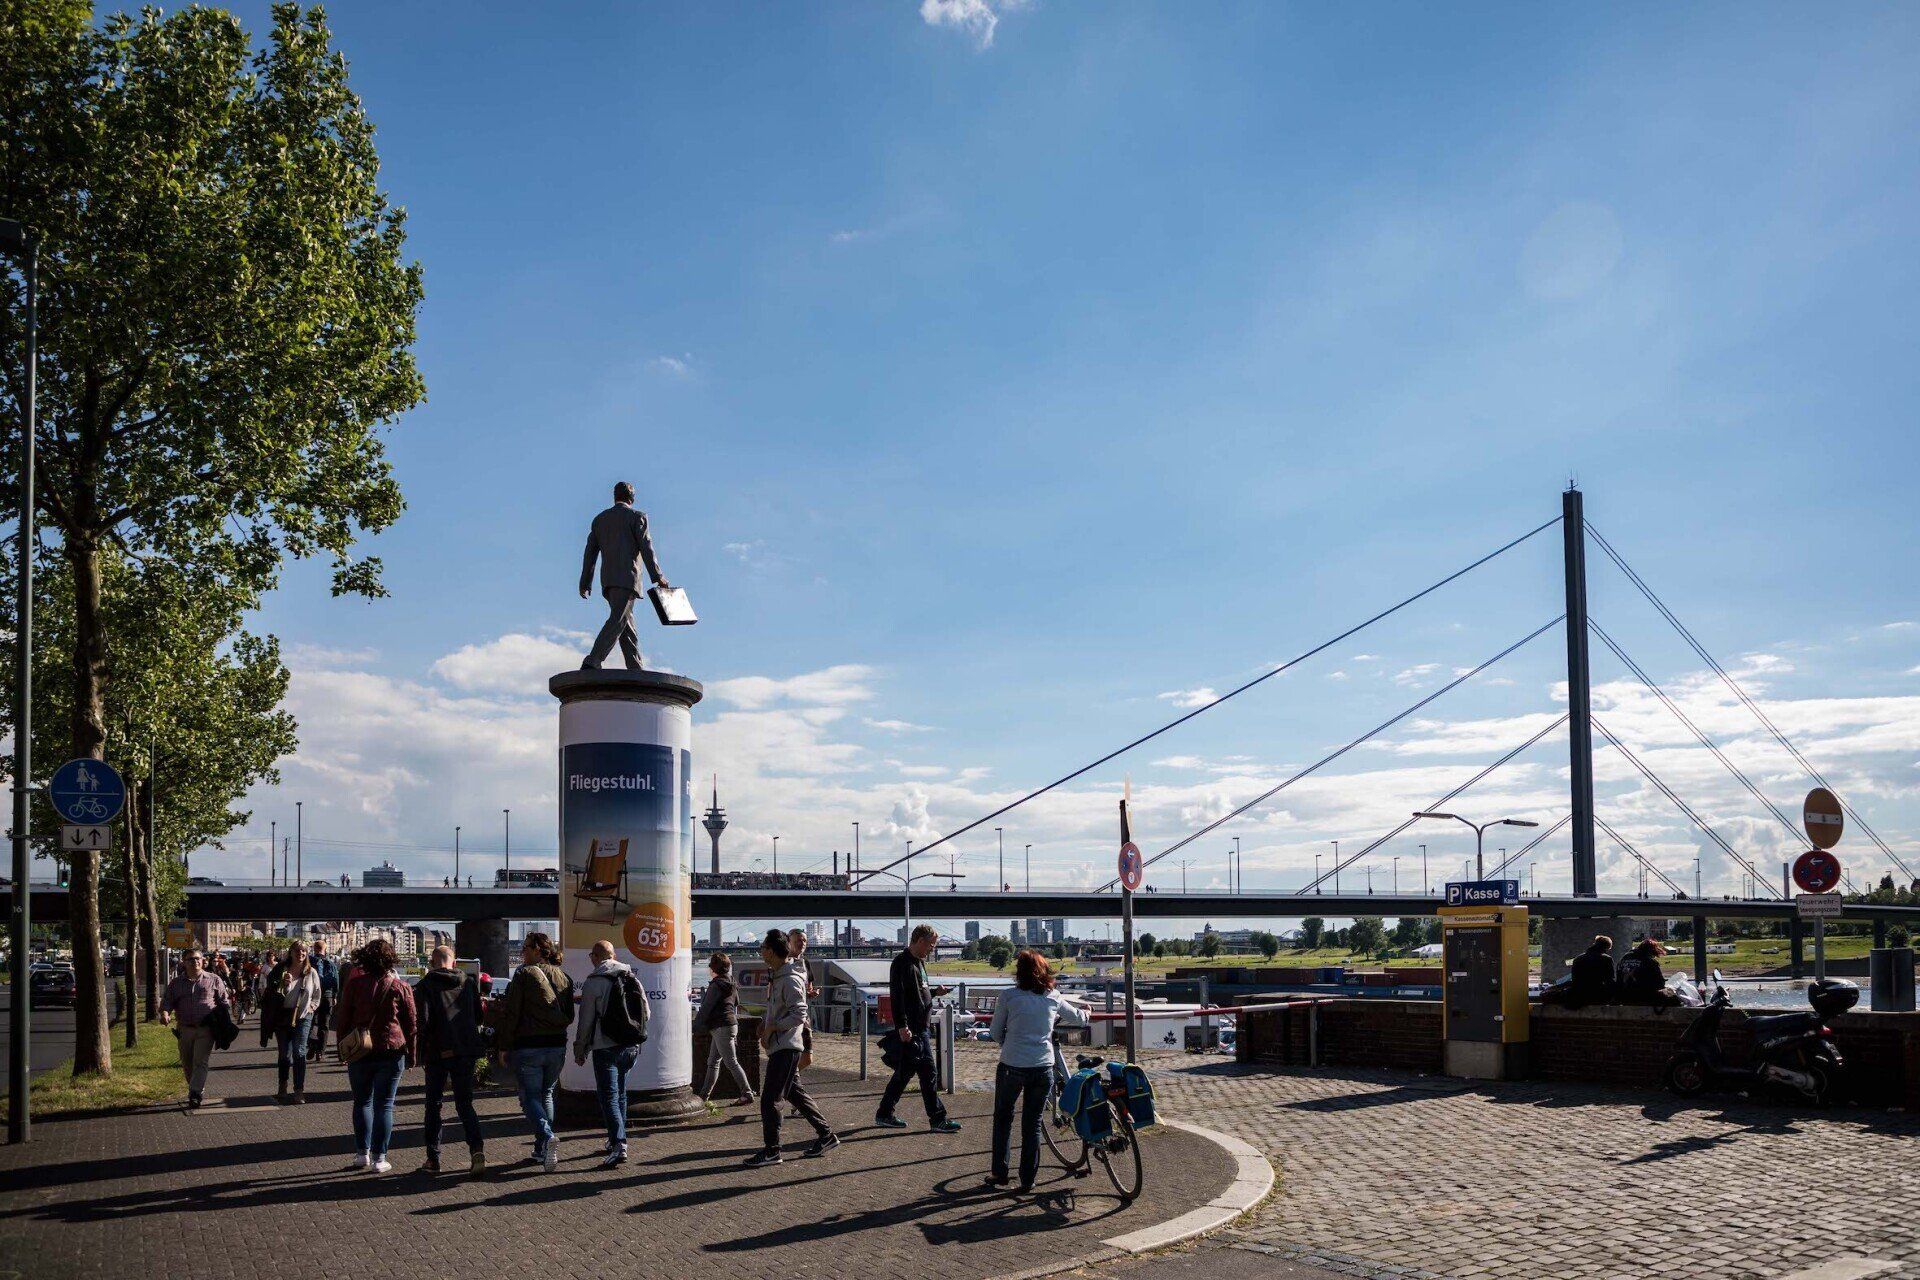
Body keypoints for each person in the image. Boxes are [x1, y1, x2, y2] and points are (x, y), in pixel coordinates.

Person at [745, 929, 836, 1167]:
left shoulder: (789, 979)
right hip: (781, 1045)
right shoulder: (777, 976)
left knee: (770, 1100)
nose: (761, 952)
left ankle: (772, 1150)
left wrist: (774, 1027)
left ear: (773, 952)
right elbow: (777, 1009)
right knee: (796, 1094)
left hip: (787, 1047)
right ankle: (826, 1135)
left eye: (764, 948)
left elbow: (799, 1014)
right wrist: (765, 1023)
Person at [987, 950, 1071, 1192]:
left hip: (1012, 1065)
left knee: (1003, 1118)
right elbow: (1077, 1016)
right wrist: (1086, 1012)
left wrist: (1009, 1043)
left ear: (1018, 972)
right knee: (1032, 1123)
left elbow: (994, 1032)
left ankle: (1000, 1173)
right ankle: (1028, 1179)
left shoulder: (1009, 997)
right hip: (1043, 1066)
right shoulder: (1052, 996)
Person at [492, 931, 575, 1173]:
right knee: (546, 1093)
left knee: (529, 1097)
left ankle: (547, 1136)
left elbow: (512, 1013)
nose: (522, 953)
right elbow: (569, 1014)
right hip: (557, 1045)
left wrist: (504, 1046)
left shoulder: (524, 974)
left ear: (538, 949)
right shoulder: (563, 976)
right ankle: (541, 1149)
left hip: (529, 1045)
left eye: (526, 948)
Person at [333, 938, 417, 1173]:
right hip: (392, 1051)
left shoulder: (354, 984)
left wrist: (343, 1049)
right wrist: (412, 1054)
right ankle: (380, 1158)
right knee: (385, 1105)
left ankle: (362, 1153)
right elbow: (411, 1024)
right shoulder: (401, 987)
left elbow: (343, 1019)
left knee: (362, 1102)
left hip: (361, 1050)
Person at [877, 924, 961, 1134]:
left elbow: (917, 995)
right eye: (931, 945)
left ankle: (885, 1113)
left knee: (905, 1073)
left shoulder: (919, 963)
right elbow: (898, 997)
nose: (932, 949)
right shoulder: (902, 963)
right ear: (920, 941)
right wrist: (902, 1026)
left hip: (920, 1027)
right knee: (928, 1073)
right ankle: (937, 1119)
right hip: (913, 1029)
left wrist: (934, 993)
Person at [578, 480, 670, 671]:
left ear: (615, 496)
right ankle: (593, 660)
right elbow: (647, 548)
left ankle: (635, 667)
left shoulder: (599, 519)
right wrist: (658, 576)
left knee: (626, 623)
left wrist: (585, 581)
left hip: (608, 580)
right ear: (632, 497)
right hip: (628, 578)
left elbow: (590, 553)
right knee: (618, 619)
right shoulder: (637, 517)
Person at [574, 939, 649, 1168]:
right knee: (620, 1095)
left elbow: (586, 1021)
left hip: (605, 1047)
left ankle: (619, 1145)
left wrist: (581, 1048)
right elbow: (646, 1011)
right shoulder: (631, 976)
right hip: (630, 1047)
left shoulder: (594, 981)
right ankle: (615, 1138)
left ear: (595, 957)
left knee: (608, 1097)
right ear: (614, 956)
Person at [413, 946, 488, 1176]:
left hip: (437, 1052)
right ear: (454, 962)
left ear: (433, 962)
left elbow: (422, 1021)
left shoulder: (425, 985)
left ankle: (433, 1158)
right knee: (465, 1104)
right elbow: (478, 1016)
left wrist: (419, 1053)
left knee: (434, 1104)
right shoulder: (467, 982)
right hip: (465, 1050)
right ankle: (476, 1150)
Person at [159, 948, 232, 1108]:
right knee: (187, 1063)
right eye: (191, 959)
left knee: (200, 1061)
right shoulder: (176, 983)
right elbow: (167, 1001)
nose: (195, 961)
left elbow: (224, 1001)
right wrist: (165, 1013)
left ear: (203, 961)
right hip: (185, 1029)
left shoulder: (214, 979)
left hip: (206, 1029)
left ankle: (195, 1093)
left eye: (198, 958)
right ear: (184, 963)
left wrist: (223, 1018)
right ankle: (195, 1087)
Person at [693, 952, 754, 1106]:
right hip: (731, 1024)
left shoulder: (716, 985)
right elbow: (736, 1002)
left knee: (731, 1062)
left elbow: (706, 1008)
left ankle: (746, 1093)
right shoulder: (732, 982)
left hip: (721, 1027)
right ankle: (703, 1097)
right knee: (713, 1061)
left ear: (713, 967)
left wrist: (695, 1027)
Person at [263, 940, 321, 1103]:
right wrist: (284, 985)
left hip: (302, 1017)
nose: (300, 954)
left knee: (299, 1052)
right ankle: (282, 1087)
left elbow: (317, 994)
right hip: (282, 1016)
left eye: (303, 951)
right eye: (297, 950)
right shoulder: (281, 970)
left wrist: (312, 1007)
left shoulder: (312, 972)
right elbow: (271, 993)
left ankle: (298, 1091)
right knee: (284, 1055)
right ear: (291, 952)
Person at [1616, 937, 1679, 1007]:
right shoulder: (1650, 961)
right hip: (1642, 997)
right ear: (1651, 951)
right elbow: (1660, 983)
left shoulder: (1624, 958)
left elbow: (1618, 979)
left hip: (1623, 996)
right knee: (1674, 997)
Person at [1566, 934, 1617, 1008]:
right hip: (1597, 996)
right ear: (1606, 947)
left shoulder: (1578, 959)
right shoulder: (1606, 959)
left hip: (1578, 996)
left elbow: (1574, 980)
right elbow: (1610, 980)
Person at [310, 938, 339, 1059]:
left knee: (310, 1022)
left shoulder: (309, 962)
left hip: (312, 996)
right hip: (327, 996)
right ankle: (321, 1051)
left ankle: (312, 1044)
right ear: (325, 949)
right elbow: (336, 981)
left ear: (314, 949)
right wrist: (335, 995)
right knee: (324, 1024)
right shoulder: (331, 964)